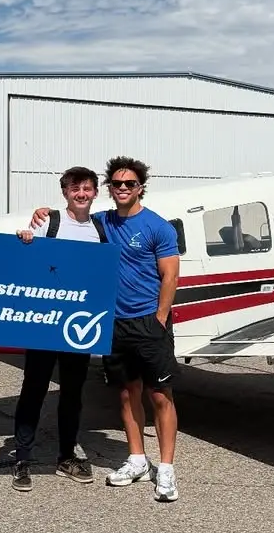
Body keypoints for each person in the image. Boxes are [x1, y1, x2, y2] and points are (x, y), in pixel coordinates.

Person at [31, 155, 181, 502]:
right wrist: (42, 214)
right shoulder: (101, 223)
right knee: (127, 394)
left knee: (160, 396)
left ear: (141, 187)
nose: (123, 188)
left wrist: (160, 317)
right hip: (114, 322)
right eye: (117, 184)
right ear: (109, 189)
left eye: (130, 183)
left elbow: (170, 275)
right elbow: (71, 218)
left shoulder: (159, 226)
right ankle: (137, 459)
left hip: (148, 321)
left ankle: (167, 468)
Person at [10, 165, 107, 492]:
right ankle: (22, 456)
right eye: (75, 188)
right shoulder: (48, 221)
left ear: (95, 193)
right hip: (44, 323)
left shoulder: (99, 229)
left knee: (72, 394)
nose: (81, 194)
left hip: (79, 326)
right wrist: (24, 239)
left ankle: (66, 455)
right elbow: (26, 259)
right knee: (34, 389)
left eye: (87, 189)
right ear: (65, 192)